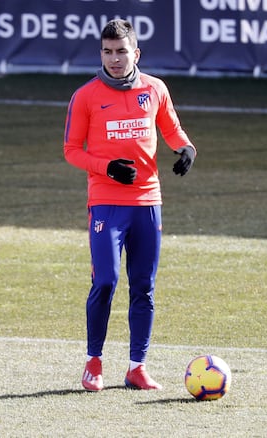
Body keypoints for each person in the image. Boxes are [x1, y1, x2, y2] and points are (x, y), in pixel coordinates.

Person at [64, 19, 196, 392]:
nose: (114, 59)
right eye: (107, 52)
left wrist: (186, 149)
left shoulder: (155, 89)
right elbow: (71, 151)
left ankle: (137, 367)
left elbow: (171, 130)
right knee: (105, 280)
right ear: (100, 54)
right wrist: (106, 167)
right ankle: (94, 362)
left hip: (147, 202)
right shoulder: (85, 96)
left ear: (135, 53)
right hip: (106, 203)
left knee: (144, 286)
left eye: (121, 51)